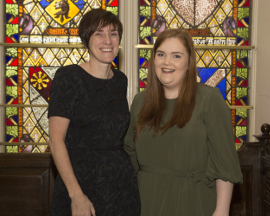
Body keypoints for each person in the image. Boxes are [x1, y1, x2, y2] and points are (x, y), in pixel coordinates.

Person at [124, 29, 242, 216]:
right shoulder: (140, 101)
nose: (166, 62)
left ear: (189, 63)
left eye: (176, 56)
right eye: (161, 54)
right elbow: (128, 155)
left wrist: (221, 211)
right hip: (147, 200)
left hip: (194, 200)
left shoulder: (209, 99)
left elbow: (225, 164)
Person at [48, 9, 140, 216]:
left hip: (120, 185)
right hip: (80, 182)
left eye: (113, 33)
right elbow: (55, 140)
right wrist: (76, 195)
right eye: (99, 33)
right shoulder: (69, 77)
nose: (107, 40)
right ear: (86, 38)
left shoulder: (120, 81)